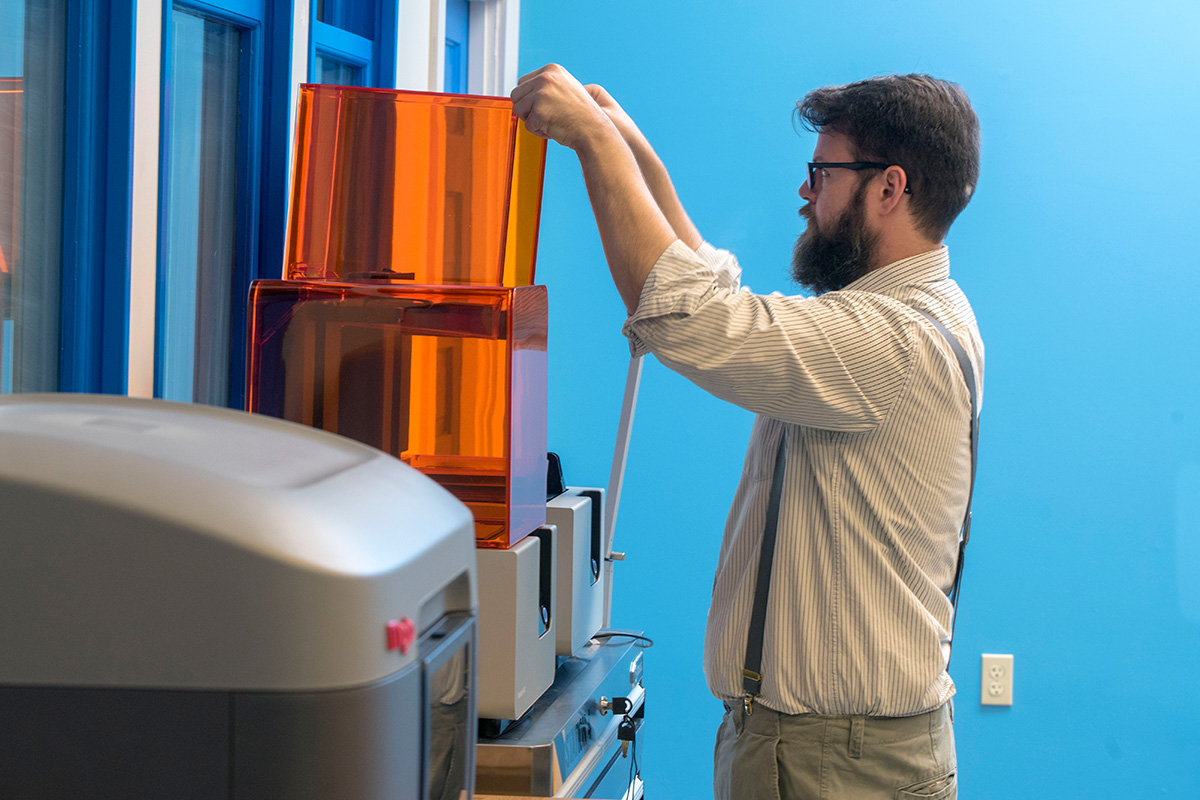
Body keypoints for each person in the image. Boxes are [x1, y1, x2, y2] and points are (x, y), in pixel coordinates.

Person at [512, 65, 982, 800]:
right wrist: (631, 149)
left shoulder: (896, 340)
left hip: (838, 764)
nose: (805, 192)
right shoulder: (900, 317)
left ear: (889, 188)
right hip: (818, 749)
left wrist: (593, 141)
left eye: (821, 173)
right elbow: (706, 286)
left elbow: (691, 317)